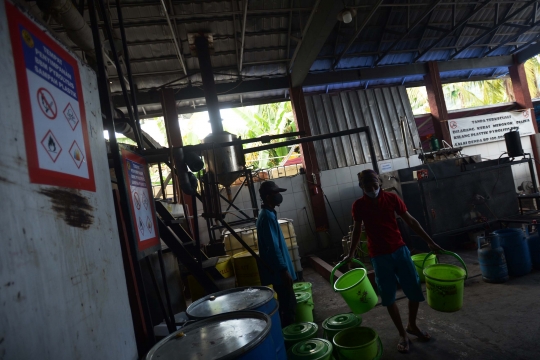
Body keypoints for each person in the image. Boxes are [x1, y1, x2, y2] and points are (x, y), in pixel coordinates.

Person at [344, 169, 444, 354]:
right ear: (361, 187)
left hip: (400, 250)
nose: (372, 188)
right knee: (388, 296)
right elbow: (357, 230)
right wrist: (351, 254)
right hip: (379, 256)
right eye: (367, 186)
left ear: (379, 183)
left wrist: (429, 241)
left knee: (413, 289)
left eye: (374, 185)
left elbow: (411, 221)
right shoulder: (358, 205)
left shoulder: (391, 198)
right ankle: (402, 334)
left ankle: (412, 325)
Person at [256, 181, 297, 327]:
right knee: (289, 306)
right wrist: (283, 270)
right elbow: (273, 247)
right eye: (276, 193)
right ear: (268, 197)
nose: (279, 196)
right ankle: (290, 337)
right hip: (279, 272)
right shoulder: (267, 217)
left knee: (287, 303)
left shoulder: (268, 214)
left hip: (279, 270)